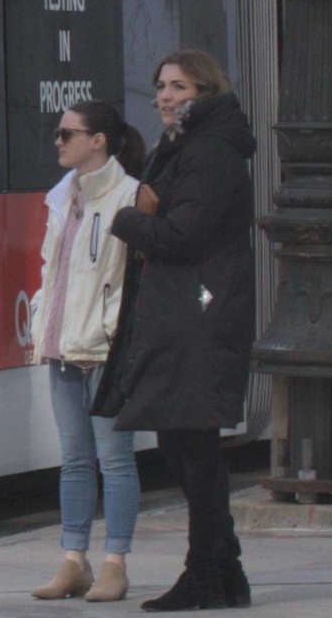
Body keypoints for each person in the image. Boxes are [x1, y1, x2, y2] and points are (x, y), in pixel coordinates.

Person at [102, 49, 257, 611]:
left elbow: (184, 235)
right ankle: (225, 573)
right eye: (161, 87)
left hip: (202, 313)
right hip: (187, 311)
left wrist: (124, 219)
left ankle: (205, 574)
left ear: (205, 92)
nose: (166, 97)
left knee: (193, 447)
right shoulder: (185, 147)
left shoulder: (209, 153)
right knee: (184, 443)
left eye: (178, 87)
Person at [29, 99, 147, 603]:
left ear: (98, 140)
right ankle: (74, 561)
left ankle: (115, 564)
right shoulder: (62, 196)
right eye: (59, 134)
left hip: (106, 348)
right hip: (61, 345)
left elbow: (133, 276)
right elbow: (51, 273)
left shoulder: (129, 195)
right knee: (75, 460)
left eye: (67, 134)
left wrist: (115, 329)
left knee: (115, 460)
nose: (58, 142)